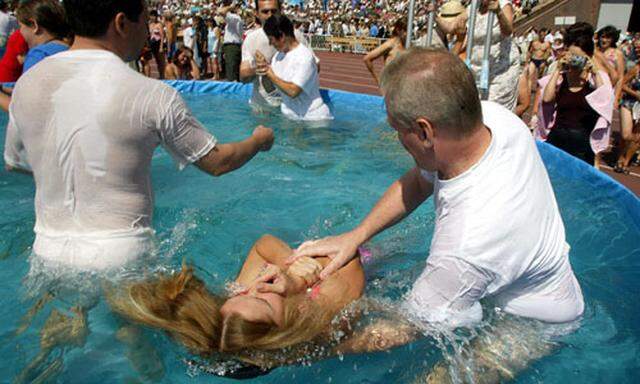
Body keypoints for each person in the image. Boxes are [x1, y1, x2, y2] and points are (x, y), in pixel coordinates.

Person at [290, 48, 584, 382]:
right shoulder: (491, 120)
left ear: (426, 132)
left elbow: (404, 326)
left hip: (535, 322)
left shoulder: (468, 242)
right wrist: (355, 236)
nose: (397, 139)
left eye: (397, 128)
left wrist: (302, 350)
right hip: (519, 274)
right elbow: (419, 179)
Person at [3, 0, 274, 271]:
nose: (147, 32)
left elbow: (16, 162)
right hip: (122, 254)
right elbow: (218, 163)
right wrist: (258, 141)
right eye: (144, 21)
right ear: (121, 23)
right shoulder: (152, 94)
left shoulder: (29, 83)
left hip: (47, 252)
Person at [109, 234, 365, 368]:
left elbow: (263, 244)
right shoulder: (323, 313)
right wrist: (300, 282)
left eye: (240, 295)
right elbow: (349, 254)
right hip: (369, 259)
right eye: (264, 302)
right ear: (282, 324)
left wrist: (291, 264)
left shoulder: (246, 294)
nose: (256, 289)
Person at [536, 28, 612, 166]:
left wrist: (594, 72)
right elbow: (547, 99)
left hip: (582, 144)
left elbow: (604, 102)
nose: (574, 60)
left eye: (579, 57)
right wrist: (558, 68)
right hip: (557, 138)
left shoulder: (596, 79)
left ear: (589, 57)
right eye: (571, 55)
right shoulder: (560, 78)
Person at [433, 0, 520, 110]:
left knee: (493, 108)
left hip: (500, 70)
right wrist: (434, 14)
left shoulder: (503, 4)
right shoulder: (474, 6)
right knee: (478, 107)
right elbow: (451, 27)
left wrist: (498, 12)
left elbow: (508, 31)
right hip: (479, 69)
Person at [257, 14, 332, 121]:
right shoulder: (277, 57)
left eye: (271, 39)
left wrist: (269, 73)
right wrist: (263, 71)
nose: (270, 43)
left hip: (313, 117)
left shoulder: (305, 56)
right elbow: (271, 90)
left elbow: (293, 91)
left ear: (282, 36)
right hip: (289, 116)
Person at [240, 0, 282, 110]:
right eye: (265, 11)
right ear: (257, 13)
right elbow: (243, 76)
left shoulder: (296, 36)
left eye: (274, 11)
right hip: (261, 106)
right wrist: (258, 69)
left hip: (289, 106)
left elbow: (315, 67)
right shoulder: (251, 39)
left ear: (280, 11)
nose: (270, 15)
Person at [17, 0, 70, 73]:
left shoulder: (38, 55)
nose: (20, 31)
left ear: (34, 25)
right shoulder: (68, 48)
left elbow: (27, 83)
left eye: (20, 26)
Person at [615, 40, 640, 173]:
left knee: (637, 137)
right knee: (626, 134)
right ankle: (620, 156)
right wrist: (635, 93)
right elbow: (622, 84)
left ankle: (625, 161)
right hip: (629, 103)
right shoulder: (636, 68)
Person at [363, 19, 406, 85]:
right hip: (391, 85)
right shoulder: (390, 44)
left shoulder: (407, 44)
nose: (408, 33)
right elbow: (367, 58)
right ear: (398, 30)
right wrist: (378, 80)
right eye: (405, 30)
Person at [597, 26, 625, 107]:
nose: (604, 40)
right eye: (602, 37)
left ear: (613, 39)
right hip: (593, 88)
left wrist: (616, 98)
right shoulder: (595, 52)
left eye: (608, 37)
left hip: (609, 90)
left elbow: (620, 77)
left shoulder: (617, 54)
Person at [219, 1, 243, 81]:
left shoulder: (233, 17)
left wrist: (231, 7)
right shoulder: (236, 18)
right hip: (233, 46)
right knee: (234, 71)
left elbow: (221, 11)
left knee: (231, 72)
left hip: (231, 46)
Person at [147, 10, 166, 79]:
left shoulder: (159, 24)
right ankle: (158, 75)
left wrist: (161, 47)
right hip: (152, 44)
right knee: (152, 60)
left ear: (156, 16)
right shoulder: (149, 24)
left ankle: (162, 75)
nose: (153, 17)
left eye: (154, 16)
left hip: (158, 44)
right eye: (152, 16)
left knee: (160, 61)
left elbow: (162, 36)